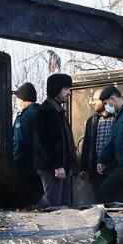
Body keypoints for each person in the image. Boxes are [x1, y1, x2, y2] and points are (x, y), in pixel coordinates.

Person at [34, 73, 77, 207]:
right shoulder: (46, 111)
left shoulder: (57, 111)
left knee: (62, 207)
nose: (69, 92)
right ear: (56, 89)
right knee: (53, 208)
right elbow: (46, 143)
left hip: (59, 169)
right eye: (65, 89)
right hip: (51, 170)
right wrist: (57, 165)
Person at [78, 86, 117, 202]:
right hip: (95, 170)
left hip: (113, 168)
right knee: (99, 201)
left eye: (95, 100)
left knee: (115, 202)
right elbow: (87, 145)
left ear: (104, 100)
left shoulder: (117, 118)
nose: (92, 102)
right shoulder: (92, 120)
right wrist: (83, 168)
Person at [11, 82, 41, 184]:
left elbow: (18, 143)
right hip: (47, 168)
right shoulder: (45, 112)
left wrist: (12, 165)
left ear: (23, 99)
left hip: (29, 170)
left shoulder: (23, 117)